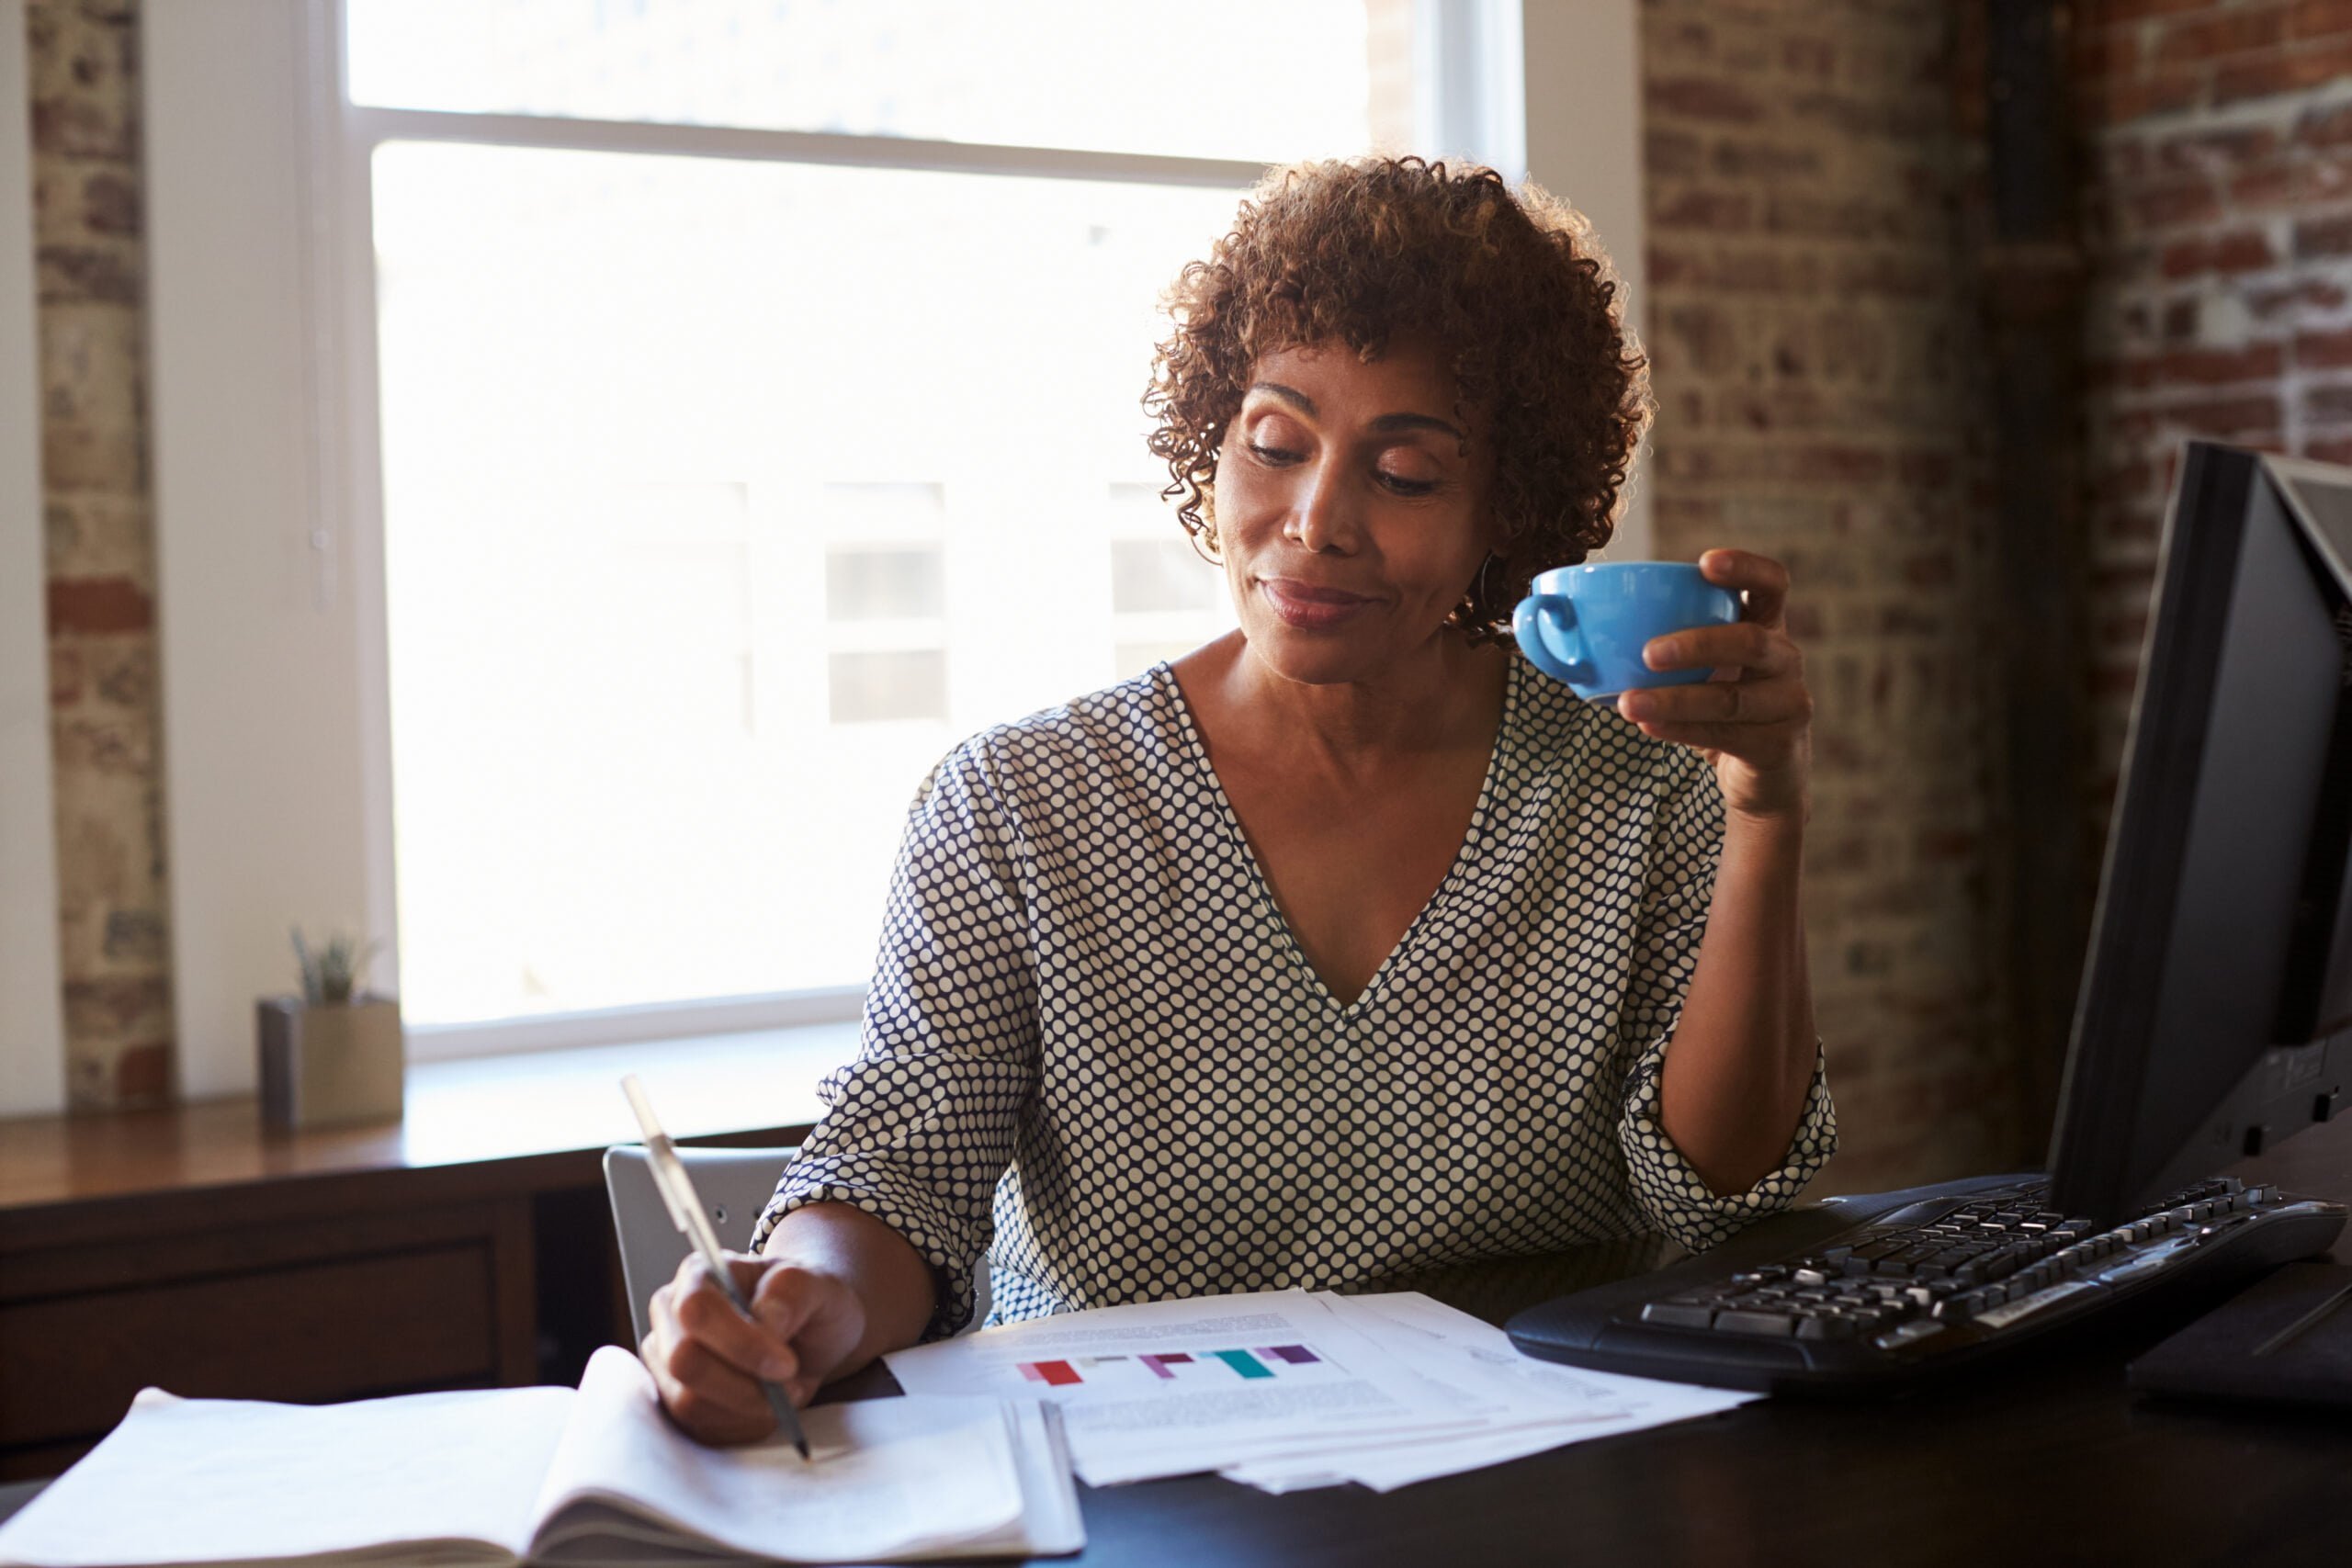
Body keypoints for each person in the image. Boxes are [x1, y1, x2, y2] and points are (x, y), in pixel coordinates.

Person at [644, 157, 1835, 1445]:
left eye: (1408, 474)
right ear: (1212, 443)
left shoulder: (1635, 792)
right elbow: (894, 1171)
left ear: (1509, 509)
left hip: (1535, 1486)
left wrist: (1765, 813)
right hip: (1130, 1495)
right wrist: (804, 1290)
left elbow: (1720, 1184)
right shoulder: (1021, 806)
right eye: (1275, 444)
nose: (1317, 520)